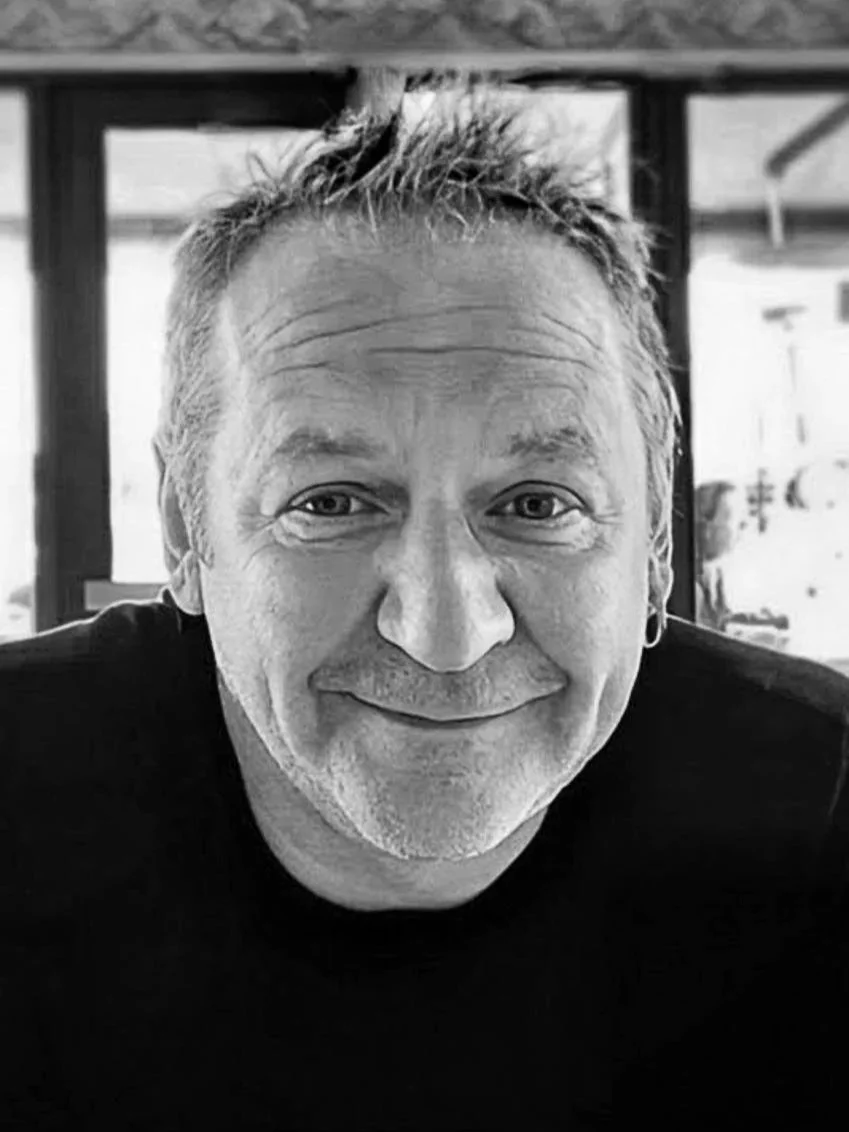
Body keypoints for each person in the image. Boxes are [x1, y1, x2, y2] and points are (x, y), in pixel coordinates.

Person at [2, 76, 848, 1131]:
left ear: (656, 551)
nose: (446, 635)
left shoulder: (823, 808)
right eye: (329, 502)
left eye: (537, 504)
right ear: (185, 534)